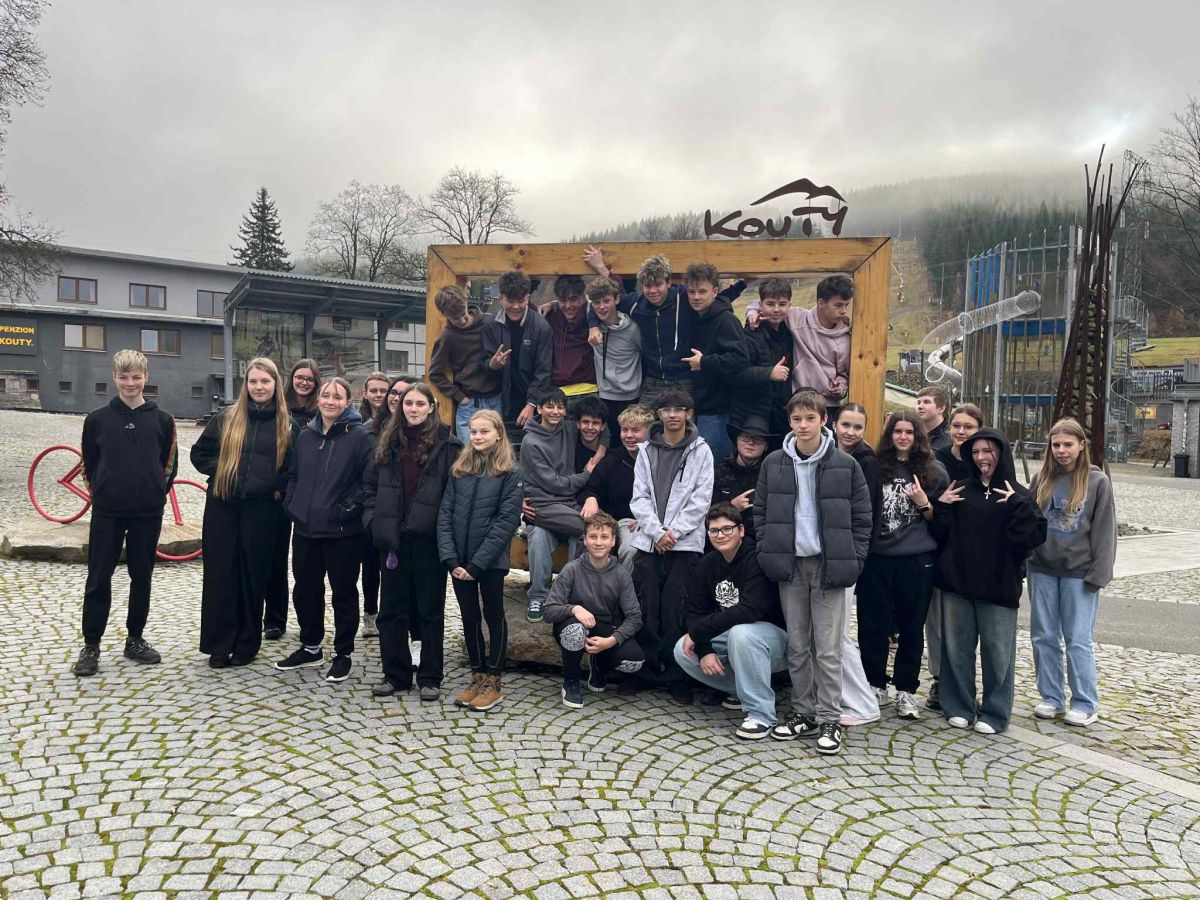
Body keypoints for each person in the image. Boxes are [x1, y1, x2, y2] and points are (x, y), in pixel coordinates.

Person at [753, 389, 872, 755]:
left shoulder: (845, 465)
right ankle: (803, 711)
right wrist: (767, 551)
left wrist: (854, 560)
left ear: (823, 420)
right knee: (798, 646)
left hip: (828, 565)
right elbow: (760, 512)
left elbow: (862, 518)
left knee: (829, 647)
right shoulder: (774, 463)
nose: (803, 425)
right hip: (790, 566)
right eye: (796, 419)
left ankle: (829, 717)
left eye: (809, 418)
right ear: (789, 422)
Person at [930, 429, 1046, 734]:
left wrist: (1019, 506)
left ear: (1001, 453)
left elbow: (1031, 540)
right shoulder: (960, 488)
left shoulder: (1018, 493)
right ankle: (958, 705)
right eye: (976, 452)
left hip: (998, 586)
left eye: (988, 451)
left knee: (998, 654)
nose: (981, 457)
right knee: (956, 649)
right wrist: (941, 506)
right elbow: (940, 535)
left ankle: (994, 712)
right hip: (958, 584)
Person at [72, 349, 177, 677]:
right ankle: (91, 644)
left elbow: (168, 465)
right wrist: (102, 493)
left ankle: (135, 639)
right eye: (124, 377)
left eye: (136, 377)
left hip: (147, 511)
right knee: (98, 577)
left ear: (146, 377)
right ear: (114, 378)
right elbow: (89, 462)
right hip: (108, 511)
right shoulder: (97, 420)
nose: (130, 383)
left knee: (141, 576)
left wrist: (155, 492)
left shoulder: (163, 420)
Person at [191, 357, 294, 668]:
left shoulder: (287, 425)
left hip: (261, 509)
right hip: (223, 504)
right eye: (253, 381)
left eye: (265, 381)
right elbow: (200, 454)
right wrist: (224, 470)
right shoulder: (227, 418)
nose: (259, 387)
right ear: (245, 385)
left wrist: (275, 485)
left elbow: (293, 468)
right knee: (221, 574)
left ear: (276, 385)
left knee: (253, 575)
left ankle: (247, 643)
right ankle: (219, 644)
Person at [363, 382, 459, 700]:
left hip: (429, 540)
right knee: (391, 611)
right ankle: (396, 675)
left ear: (431, 407)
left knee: (430, 611)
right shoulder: (388, 441)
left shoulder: (448, 445)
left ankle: (430, 677)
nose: (413, 409)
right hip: (393, 539)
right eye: (408, 403)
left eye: (419, 403)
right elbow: (369, 487)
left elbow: (455, 494)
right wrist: (373, 521)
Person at [275, 377, 374, 683]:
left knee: (343, 593)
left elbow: (368, 481)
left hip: (342, 531)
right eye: (326, 396)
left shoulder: (360, 437)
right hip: (305, 528)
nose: (331, 401)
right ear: (318, 400)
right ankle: (310, 646)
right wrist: (292, 505)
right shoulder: (306, 435)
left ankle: (343, 653)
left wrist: (346, 509)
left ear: (348, 402)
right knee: (305, 590)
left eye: (337, 397)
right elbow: (293, 474)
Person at [856, 411, 948, 720]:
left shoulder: (935, 471)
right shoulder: (874, 466)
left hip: (916, 559)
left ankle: (906, 689)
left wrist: (923, 502)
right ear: (889, 434)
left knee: (911, 627)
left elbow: (941, 522)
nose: (903, 437)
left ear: (918, 436)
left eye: (909, 432)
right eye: (898, 431)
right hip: (878, 557)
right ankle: (874, 683)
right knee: (873, 625)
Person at [1027, 418, 1116, 727]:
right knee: (1044, 636)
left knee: (1077, 638)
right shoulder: (1041, 479)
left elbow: (1105, 531)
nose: (1062, 450)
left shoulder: (1096, 482)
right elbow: (1028, 523)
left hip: (1079, 573)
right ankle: (1051, 696)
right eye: (1056, 445)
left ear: (1081, 445)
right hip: (1042, 569)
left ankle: (1085, 702)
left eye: (1068, 444)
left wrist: (1100, 573)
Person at [628, 388, 714, 703]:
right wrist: (656, 532)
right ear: (659, 414)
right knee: (647, 605)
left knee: (676, 608)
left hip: (685, 544)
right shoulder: (646, 450)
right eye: (667, 409)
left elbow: (701, 500)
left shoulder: (701, 451)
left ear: (689, 414)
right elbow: (639, 497)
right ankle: (647, 670)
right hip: (650, 543)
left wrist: (672, 533)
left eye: (679, 409)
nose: (673, 415)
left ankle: (677, 675)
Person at [675, 503, 788, 741]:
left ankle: (761, 715)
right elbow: (695, 611)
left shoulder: (756, 559)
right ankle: (748, 690)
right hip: (734, 636)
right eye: (714, 531)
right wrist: (704, 649)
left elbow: (749, 610)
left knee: (741, 633)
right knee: (683, 650)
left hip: (775, 640)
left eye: (727, 529)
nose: (721, 535)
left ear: (741, 530)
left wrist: (699, 632)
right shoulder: (708, 564)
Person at [582, 248, 745, 407]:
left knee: (682, 423)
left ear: (668, 283)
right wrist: (593, 325)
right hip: (653, 380)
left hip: (684, 379)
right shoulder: (636, 304)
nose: (653, 291)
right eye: (647, 286)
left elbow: (713, 297)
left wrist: (743, 284)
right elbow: (605, 303)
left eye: (658, 284)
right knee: (640, 423)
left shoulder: (683, 297)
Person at [438, 409, 524, 712]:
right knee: (469, 617)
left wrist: (477, 565)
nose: (477, 436)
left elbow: (505, 522)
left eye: (484, 431)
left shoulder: (510, 473)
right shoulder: (460, 470)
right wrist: (451, 559)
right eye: (473, 431)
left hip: (488, 562)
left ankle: (493, 680)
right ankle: (477, 675)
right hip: (459, 561)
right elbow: (445, 514)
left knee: (493, 615)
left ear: (498, 434)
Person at [542, 512, 646, 709]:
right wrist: (574, 608)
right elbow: (549, 611)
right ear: (585, 539)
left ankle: (599, 665)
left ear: (613, 541)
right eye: (593, 536)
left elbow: (634, 617)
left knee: (634, 661)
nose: (598, 542)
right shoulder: (571, 570)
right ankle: (571, 681)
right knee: (574, 631)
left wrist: (611, 641)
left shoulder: (621, 575)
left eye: (604, 537)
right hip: (573, 625)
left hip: (605, 629)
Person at [520, 388, 603, 622]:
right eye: (549, 406)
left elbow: (604, 432)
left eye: (560, 407)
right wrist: (587, 473)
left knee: (590, 530)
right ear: (539, 409)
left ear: (566, 410)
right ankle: (538, 596)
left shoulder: (568, 428)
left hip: (567, 504)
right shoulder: (530, 442)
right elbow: (555, 484)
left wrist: (599, 455)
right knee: (547, 534)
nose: (555, 411)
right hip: (542, 504)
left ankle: (571, 592)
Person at [926, 402, 983, 710]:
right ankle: (939, 678)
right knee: (936, 622)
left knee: (967, 624)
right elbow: (928, 505)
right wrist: (942, 503)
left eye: (968, 427)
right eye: (957, 426)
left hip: (974, 551)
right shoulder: (938, 459)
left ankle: (964, 681)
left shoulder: (986, 460)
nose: (961, 432)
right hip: (942, 547)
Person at [263, 358, 324, 642]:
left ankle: (309, 623)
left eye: (309, 379)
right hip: (277, 494)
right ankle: (274, 619)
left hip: (309, 495)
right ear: (291, 379)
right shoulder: (279, 409)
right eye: (300, 377)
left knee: (305, 565)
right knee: (274, 558)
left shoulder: (321, 412)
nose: (304, 382)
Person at [831, 402, 882, 727]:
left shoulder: (867, 463)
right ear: (835, 424)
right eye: (846, 425)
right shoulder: (823, 453)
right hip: (821, 555)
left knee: (837, 634)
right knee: (828, 634)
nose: (850, 432)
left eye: (857, 427)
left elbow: (869, 517)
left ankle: (863, 702)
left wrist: (857, 558)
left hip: (846, 556)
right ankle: (836, 695)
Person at [746, 276, 852, 418]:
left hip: (828, 405)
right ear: (821, 302)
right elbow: (767, 302)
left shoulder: (845, 339)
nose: (843, 311)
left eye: (846, 305)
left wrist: (840, 388)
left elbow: (843, 375)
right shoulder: (797, 318)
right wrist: (752, 313)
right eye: (838, 305)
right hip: (797, 401)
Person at [682, 263, 749, 462]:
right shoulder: (696, 317)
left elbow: (740, 358)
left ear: (715, 292)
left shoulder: (726, 320)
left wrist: (704, 362)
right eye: (692, 292)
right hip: (700, 406)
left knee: (714, 466)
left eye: (702, 291)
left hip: (719, 410)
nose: (696, 297)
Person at [580, 403, 652, 574]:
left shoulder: (659, 458)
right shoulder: (613, 459)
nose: (629, 436)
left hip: (653, 519)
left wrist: (648, 518)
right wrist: (591, 498)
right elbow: (590, 488)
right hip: (622, 521)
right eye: (625, 430)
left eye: (635, 430)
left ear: (649, 431)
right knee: (630, 548)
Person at [482, 270, 553, 439]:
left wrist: (531, 404)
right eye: (510, 301)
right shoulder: (490, 325)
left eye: (521, 301)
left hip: (531, 402)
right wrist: (493, 364)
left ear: (528, 297)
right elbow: (484, 363)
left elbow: (543, 371)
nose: (516, 307)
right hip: (498, 401)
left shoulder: (541, 327)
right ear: (501, 298)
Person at [428, 285, 501, 443]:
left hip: (496, 398)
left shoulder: (490, 322)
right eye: (455, 319)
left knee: (498, 451)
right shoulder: (447, 337)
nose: (461, 321)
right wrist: (460, 397)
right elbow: (434, 374)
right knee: (468, 453)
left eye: (463, 314)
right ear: (444, 314)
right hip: (469, 403)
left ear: (466, 303)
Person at [733, 278, 794, 440]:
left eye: (782, 304)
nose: (776, 309)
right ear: (760, 305)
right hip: (755, 413)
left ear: (789, 305)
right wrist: (769, 373)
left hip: (783, 411)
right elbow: (737, 374)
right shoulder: (749, 335)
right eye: (770, 304)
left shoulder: (790, 332)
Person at [585, 275, 642, 440]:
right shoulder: (594, 329)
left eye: (606, 301)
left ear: (617, 300)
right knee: (609, 442)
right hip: (604, 395)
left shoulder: (633, 329)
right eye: (597, 302)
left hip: (631, 397)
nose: (602, 307)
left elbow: (645, 354)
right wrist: (551, 304)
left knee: (631, 440)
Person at [356, 371, 390, 638]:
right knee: (368, 565)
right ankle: (370, 613)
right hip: (365, 502)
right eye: (374, 390)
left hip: (389, 502)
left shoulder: (398, 423)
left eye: (383, 390)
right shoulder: (359, 426)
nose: (379, 395)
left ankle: (388, 613)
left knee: (387, 564)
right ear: (365, 394)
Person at [712, 415, 773, 542]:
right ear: (737, 440)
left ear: (766, 446)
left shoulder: (771, 475)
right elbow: (703, 513)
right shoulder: (716, 473)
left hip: (760, 543)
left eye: (758, 439)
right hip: (721, 541)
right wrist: (731, 507)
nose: (751, 442)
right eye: (745, 437)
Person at [543, 275, 599, 405]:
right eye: (563, 300)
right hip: (558, 395)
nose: (568, 305)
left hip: (589, 392)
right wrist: (552, 304)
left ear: (583, 298)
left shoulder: (593, 316)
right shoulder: (550, 316)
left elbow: (614, 297)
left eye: (573, 299)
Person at [916, 384, 953, 453]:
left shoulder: (951, 439)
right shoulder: (911, 434)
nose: (919, 406)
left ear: (941, 408)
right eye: (918, 403)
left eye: (926, 402)